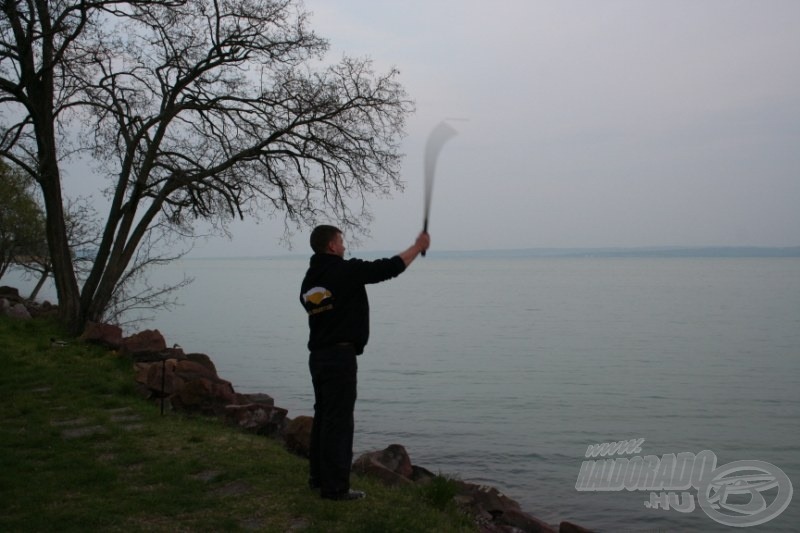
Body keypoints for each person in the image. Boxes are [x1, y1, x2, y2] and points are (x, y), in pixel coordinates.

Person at [299, 225, 430, 501]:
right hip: (339, 358)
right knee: (339, 423)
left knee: (324, 418)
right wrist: (418, 247)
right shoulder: (344, 271)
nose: (344, 247)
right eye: (341, 241)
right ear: (332, 246)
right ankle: (335, 489)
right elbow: (389, 268)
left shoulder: (310, 279)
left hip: (318, 358)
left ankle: (318, 478)